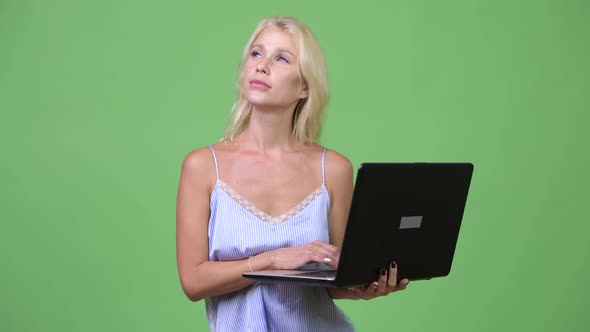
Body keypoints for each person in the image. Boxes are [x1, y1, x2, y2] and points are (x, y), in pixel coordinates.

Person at [176, 16, 409, 331]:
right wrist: (271, 260)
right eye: (256, 54)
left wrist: (364, 288)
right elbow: (193, 281)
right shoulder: (202, 165)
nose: (262, 66)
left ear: (304, 87)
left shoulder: (334, 169)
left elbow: (335, 280)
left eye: (281, 58)